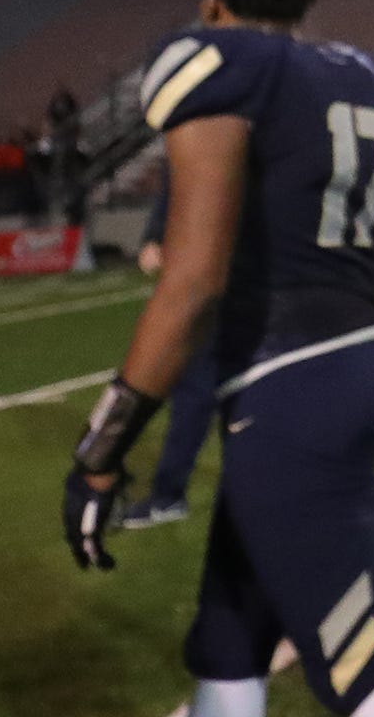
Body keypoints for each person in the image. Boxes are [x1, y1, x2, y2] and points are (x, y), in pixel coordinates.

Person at [62, 0, 374, 717]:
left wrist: (100, 451)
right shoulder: (355, 75)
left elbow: (192, 282)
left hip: (291, 385)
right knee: (228, 642)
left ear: (211, 3)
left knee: (361, 663)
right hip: (365, 368)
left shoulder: (220, 65)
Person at [118, 164, 219, 529]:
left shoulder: (217, 116)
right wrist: (155, 235)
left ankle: (168, 495)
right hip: (235, 271)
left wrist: (158, 233)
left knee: (195, 386)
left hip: (224, 272)